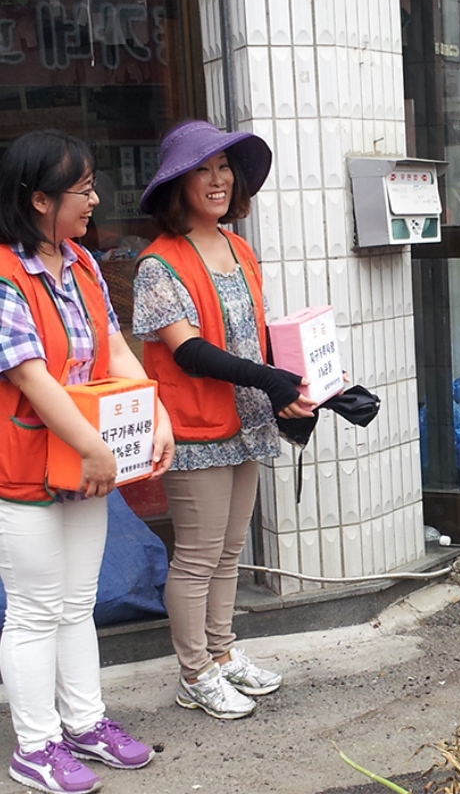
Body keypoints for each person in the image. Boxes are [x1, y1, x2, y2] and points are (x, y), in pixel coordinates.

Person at [0, 130, 175, 793]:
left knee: (76, 604)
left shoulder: (82, 262)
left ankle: (84, 722)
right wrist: (95, 446)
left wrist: (154, 414)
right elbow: (31, 377)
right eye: (82, 190)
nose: (95, 200)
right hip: (25, 471)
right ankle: (35, 747)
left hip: (85, 465)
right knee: (33, 610)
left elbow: (114, 346)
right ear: (38, 198)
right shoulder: (4, 274)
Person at [132, 121, 316, 720]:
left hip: (245, 421)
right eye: (202, 170)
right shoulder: (157, 263)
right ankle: (196, 674)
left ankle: (222, 655)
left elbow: (254, 334)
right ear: (176, 183)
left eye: (224, 168)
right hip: (193, 427)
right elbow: (187, 350)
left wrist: (302, 379)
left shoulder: (239, 248)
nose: (217, 180)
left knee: (230, 551)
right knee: (198, 555)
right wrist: (268, 379)